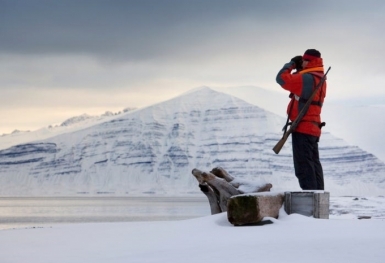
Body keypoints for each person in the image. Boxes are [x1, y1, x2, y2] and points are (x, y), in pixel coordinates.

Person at [276, 49, 327, 190]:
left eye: (304, 60)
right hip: (313, 128)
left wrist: (291, 64)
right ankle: (319, 199)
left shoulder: (307, 79)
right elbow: (299, 83)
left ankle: (310, 201)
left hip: (303, 128)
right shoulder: (319, 78)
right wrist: (300, 70)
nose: (301, 62)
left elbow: (281, 78)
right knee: (313, 165)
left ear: (309, 61)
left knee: (303, 168)